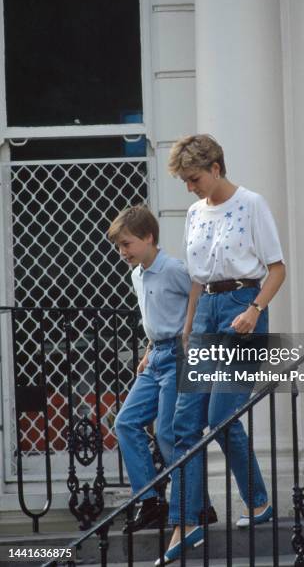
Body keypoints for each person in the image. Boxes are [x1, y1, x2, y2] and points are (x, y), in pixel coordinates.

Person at [156, 134, 286, 565]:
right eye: (184, 181)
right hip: (208, 310)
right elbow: (196, 277)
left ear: (215, 168)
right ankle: (187, 521)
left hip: (242, 310)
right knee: (184, 422)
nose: (188, 188)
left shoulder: (251, 204)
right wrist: (189, 327)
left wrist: (255, 309)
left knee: (219, 417)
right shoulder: (194, 212)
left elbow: (277, 269)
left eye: (193, 179)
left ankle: (257, 500)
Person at [108, 205, 191, 532]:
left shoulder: (173, 269)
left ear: (149, 237)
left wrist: (191, 342)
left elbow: (197, 301)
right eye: (118, 246)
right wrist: (147, 350)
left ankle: (193, 505)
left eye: (127, 244)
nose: (122, 252)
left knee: (170, 433)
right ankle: (151, 500)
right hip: (155, 357)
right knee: (126, 422)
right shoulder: (137, 274)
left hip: (178, 356)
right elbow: (154, 318)